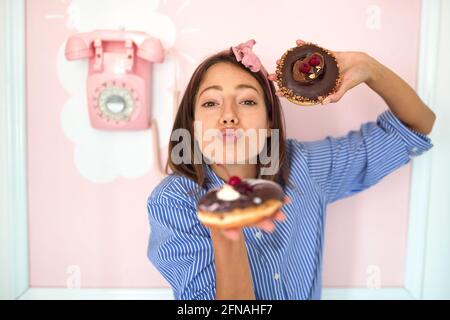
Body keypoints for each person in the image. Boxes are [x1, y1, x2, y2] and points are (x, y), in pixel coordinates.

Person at [146, 39, 436, 300]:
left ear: (269, 117)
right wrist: (226, 234)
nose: (229, 116)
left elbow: (415, 126)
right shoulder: (173, 201)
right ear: (191, 121)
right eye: (211, 102)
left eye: (247, 101)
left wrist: (369, 67)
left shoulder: (305, 167)